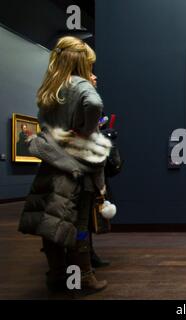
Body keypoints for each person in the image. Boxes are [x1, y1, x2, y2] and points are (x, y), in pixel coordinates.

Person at [18, 36, 111, 295]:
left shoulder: (51, 86)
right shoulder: (81, 84)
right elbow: (93, 104)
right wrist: (86, 130)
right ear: (81, 61)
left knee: (51, 223)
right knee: (80, 226)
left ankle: (56, 276)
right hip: (77, 167)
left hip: (52, 166)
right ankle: (85, 277)